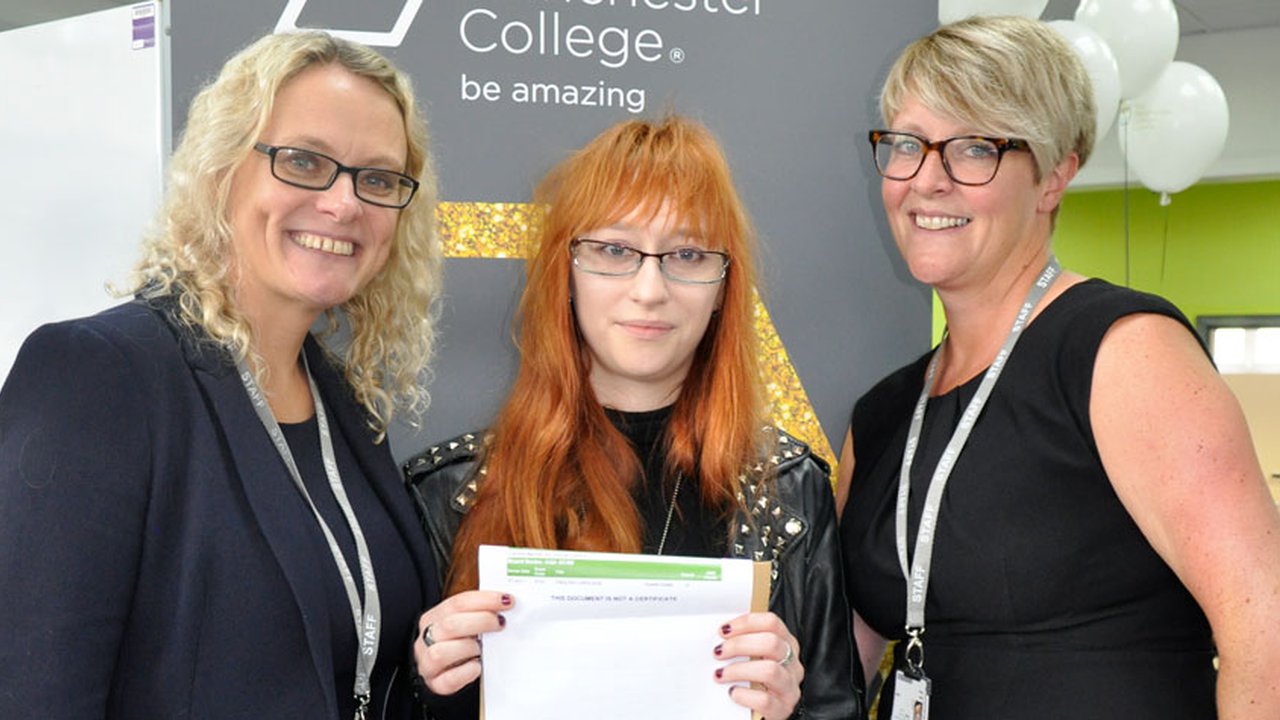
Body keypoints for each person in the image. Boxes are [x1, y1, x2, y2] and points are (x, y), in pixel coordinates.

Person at [836, 15, 1280, 720]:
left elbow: (1267, 636)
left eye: (973, 149)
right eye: (907, 145)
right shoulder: (885, 414)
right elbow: (840, 669)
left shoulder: (1123, 352)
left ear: (1054, 176)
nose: (928, 181)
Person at [0, 32, 444, 719]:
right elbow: (33, 692)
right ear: (221, 169)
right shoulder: (97, 377)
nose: (344, 203)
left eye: (377, 178)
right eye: (303, 161)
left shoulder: (346, 408)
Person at [404, 116, 863, 719]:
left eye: (688, 254)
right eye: (614, 250)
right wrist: (425, 686)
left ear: (725, 286)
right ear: (564, 271)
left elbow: (836, 710)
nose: (650, 289)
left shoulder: (789, 489)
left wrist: (789, 710)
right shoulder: (451, 491)